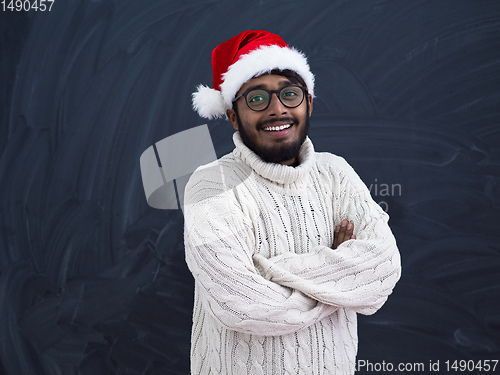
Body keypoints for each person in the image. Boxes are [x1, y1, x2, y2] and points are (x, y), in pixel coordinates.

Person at [183, 30, 401, 374]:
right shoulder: (210, 185)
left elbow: (383, 270)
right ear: (232, 114)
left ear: (308, 102)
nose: (277, 109)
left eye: (289, 94)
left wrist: (266, 270)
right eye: (257, 98)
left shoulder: (336, 173)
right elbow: (243, 306)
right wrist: (340, 280)